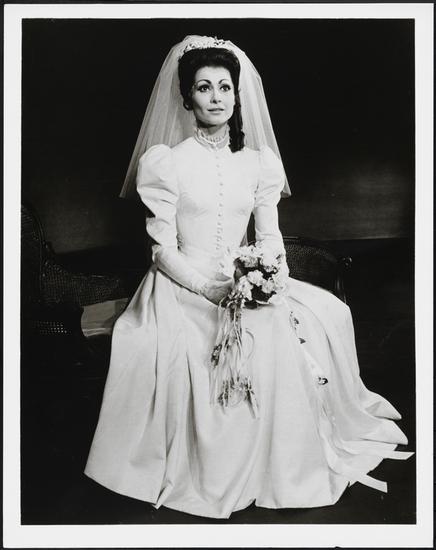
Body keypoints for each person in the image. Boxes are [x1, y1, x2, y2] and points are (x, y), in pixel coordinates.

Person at [85, 35, 412, 519]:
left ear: (237, 96)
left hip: (245, 277)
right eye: (203, 87)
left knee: (322, 314)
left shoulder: (258, 163)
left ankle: (287, 463)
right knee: (201, 343)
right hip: (183, 284)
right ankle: (218, 469)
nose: (216, 97)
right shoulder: (165, 162)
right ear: (186, 97)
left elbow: (270, 235)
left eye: (225, 87)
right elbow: (161, 250)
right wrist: (209, 288)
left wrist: (270, 276)